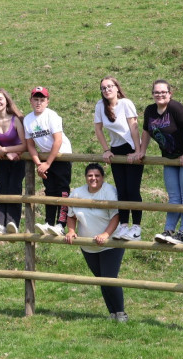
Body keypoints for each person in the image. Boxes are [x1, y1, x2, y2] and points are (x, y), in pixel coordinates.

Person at [132, 79, 183, 245]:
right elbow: (146, 131)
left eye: (163, 92)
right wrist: (141, 151)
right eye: (156, 92)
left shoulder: (176, 108)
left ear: (170, 93)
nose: (159, 95)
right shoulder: (150, 110)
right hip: (169, 157)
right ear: (152, 94)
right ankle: (169, 231)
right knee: (174, 196)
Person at [65, 163, 128, 322]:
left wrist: (106, 234)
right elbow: (71, 215)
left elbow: (116, 216)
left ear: (102, 177)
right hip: (88, 246)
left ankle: (121, 313)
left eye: (97, 176)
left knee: (109, 278)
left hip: (110, 244)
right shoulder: (77, 193)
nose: (93, 178)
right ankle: (112, 313)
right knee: (101, 280)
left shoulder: (109, 191)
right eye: (90, 176)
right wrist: (72, 231)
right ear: (86, 177)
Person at [93, 76, 143, 242]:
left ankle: (136, 227)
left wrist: (137, 151)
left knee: (132, 188)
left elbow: (134, 127)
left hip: (131, 146)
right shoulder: (101, 106)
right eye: (103, 88)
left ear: (116, 88)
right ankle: (123, 225)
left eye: (109, 86)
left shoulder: (126, 103)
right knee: (121, 189)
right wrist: (106, 150)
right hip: (116, 149)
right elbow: (98, 129)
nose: (107, 90)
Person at [24, 86, 72, 236]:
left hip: (60, 155)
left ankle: (61, 224)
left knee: (62, 189)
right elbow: (30, 144)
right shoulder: (27, 119)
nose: (38, 103)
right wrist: (39, 164)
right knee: (49, 190)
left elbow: (57, 141)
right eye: (36, 99)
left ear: (47, 102)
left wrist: (48, 163)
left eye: (42, 100)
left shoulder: (52, 116)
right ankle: (49, 222)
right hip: (44, 158)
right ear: (31, 101)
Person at [0, 89, 27, 234]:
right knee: (2, 186)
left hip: (18, 157)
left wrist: (8, 151)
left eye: (0, 99)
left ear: (6, 100)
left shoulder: (16, 118)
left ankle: (13, 222)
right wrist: (2, 150)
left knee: (14, 186)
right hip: (0, 157)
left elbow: (24, 145)